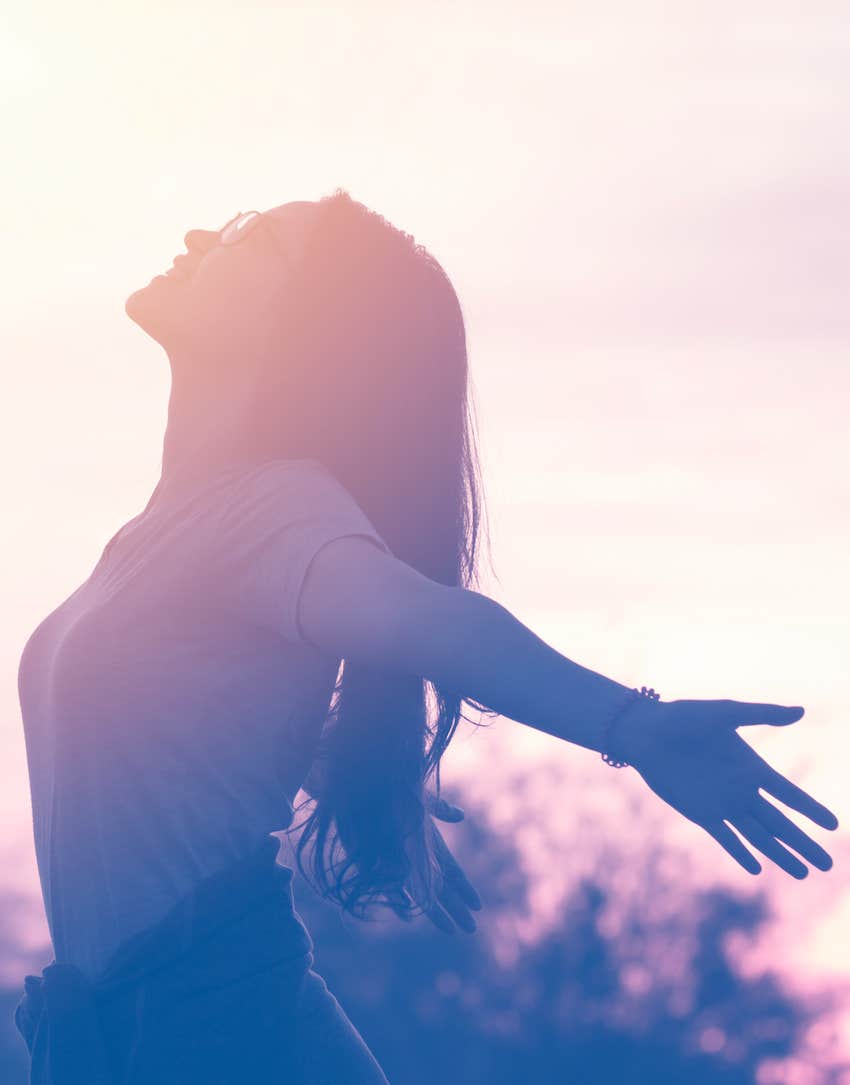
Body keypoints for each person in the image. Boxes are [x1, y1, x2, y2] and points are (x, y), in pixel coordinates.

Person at [14, 190, 839, 1083]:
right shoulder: (173, 528)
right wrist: (350, 763)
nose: (202, 235)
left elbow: (430, 619)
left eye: (252, 236)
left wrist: (628, 723)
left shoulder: (272, 507)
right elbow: (176, 727)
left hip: (226, 1034)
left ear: (301, 328)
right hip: (144, 1034)